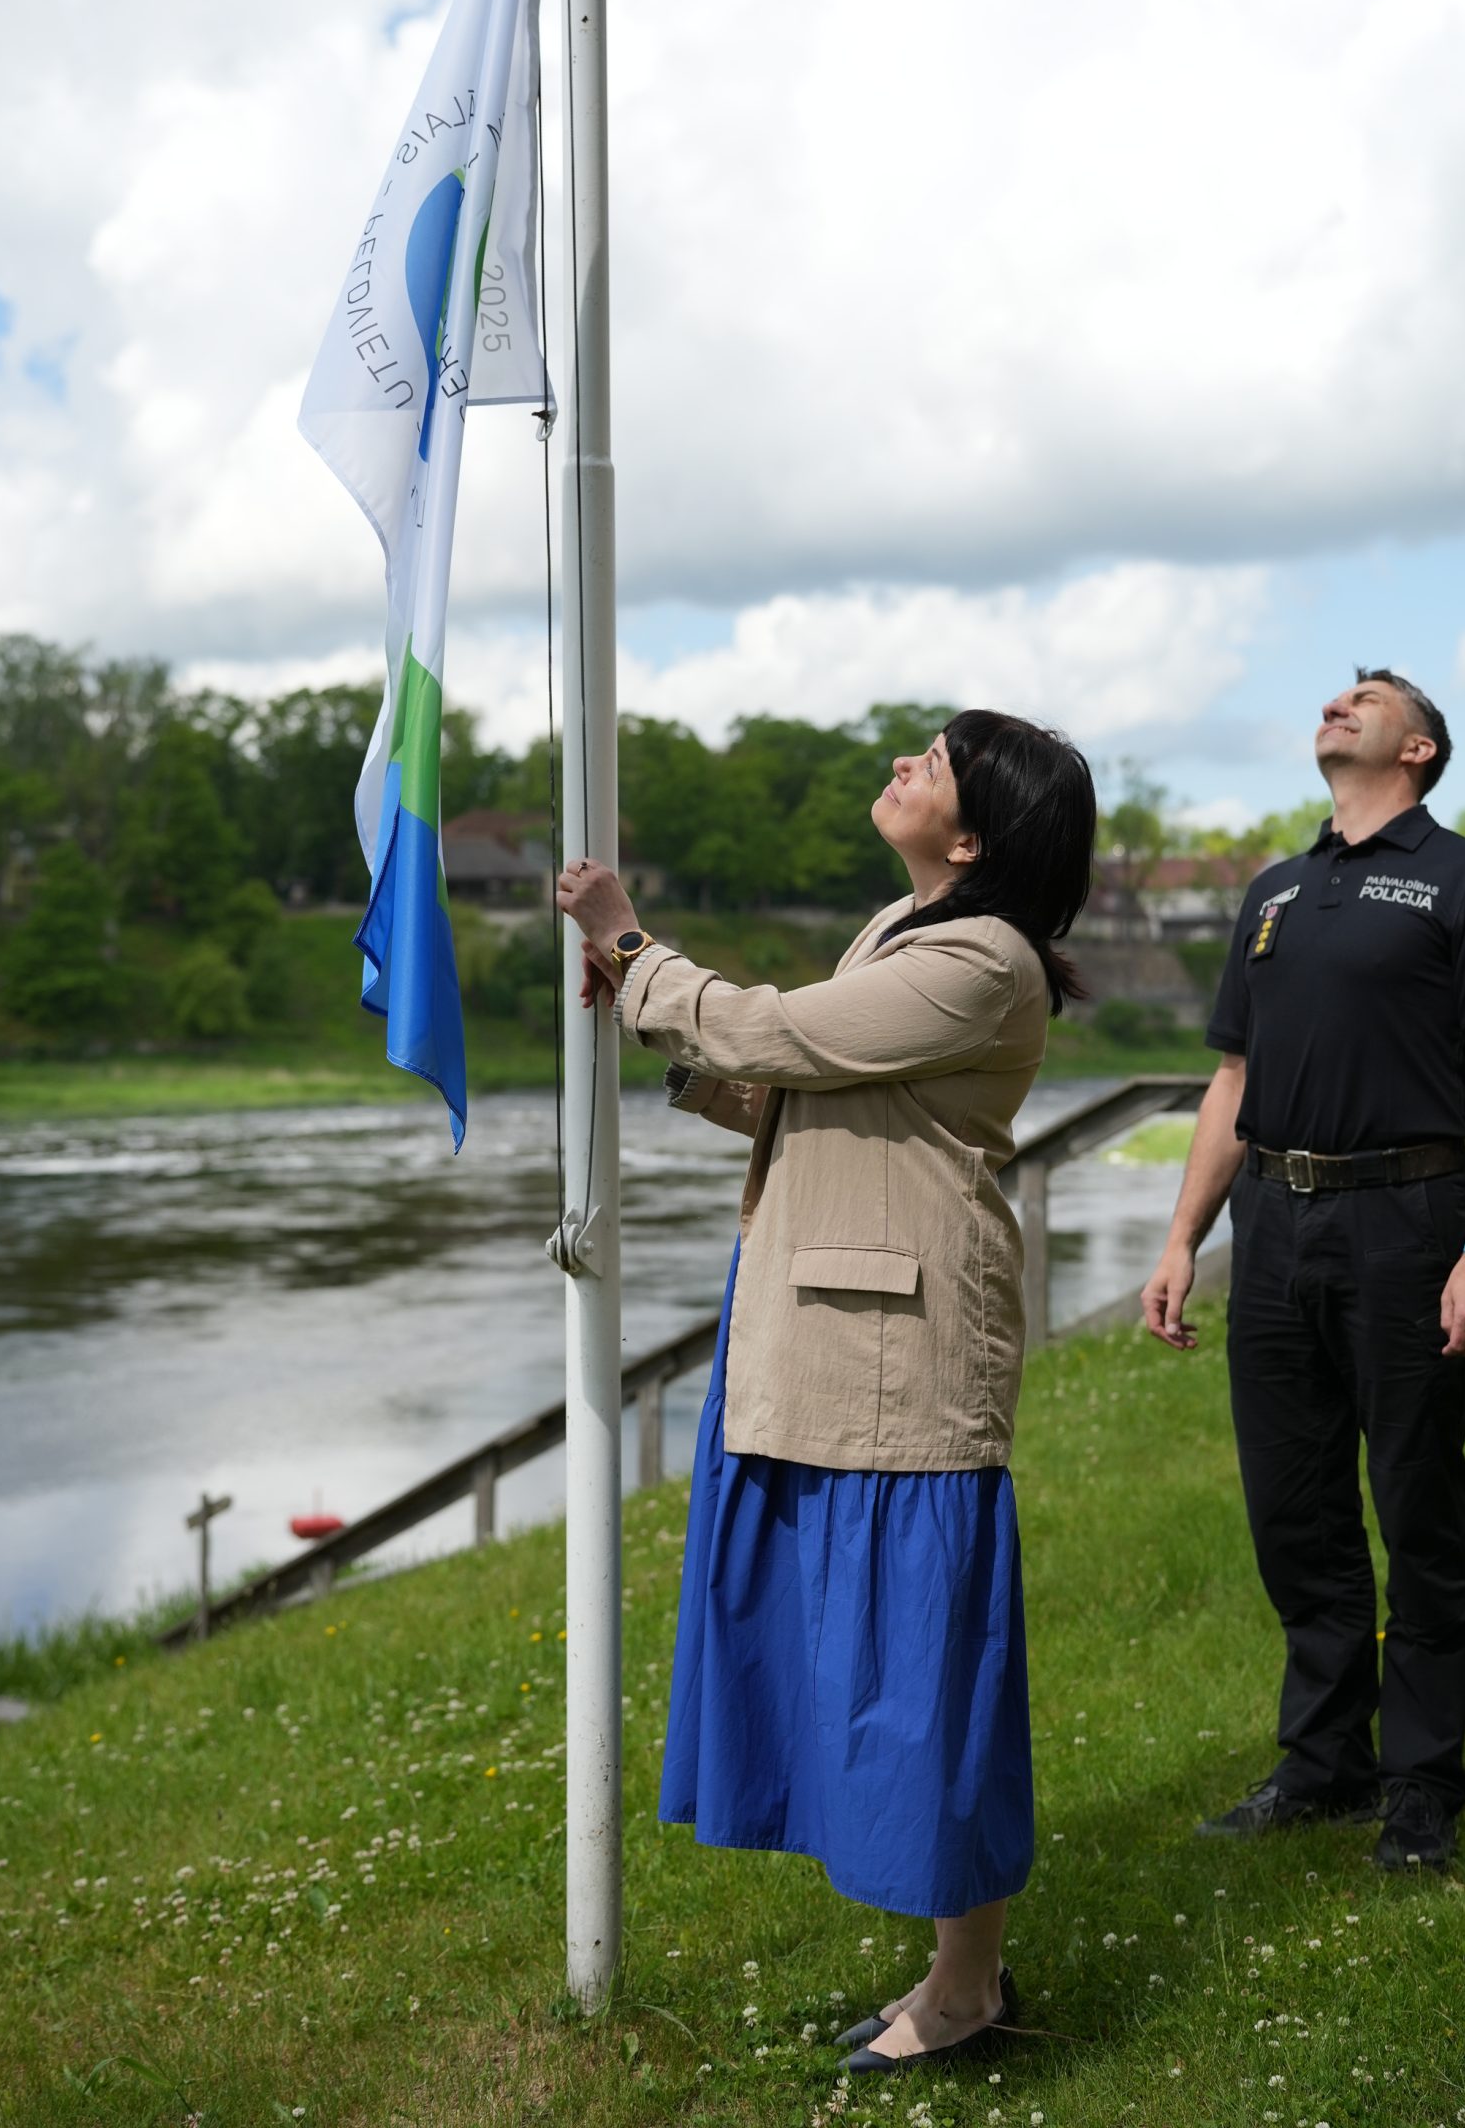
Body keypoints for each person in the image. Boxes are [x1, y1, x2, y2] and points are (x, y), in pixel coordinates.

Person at [556, 711, 1095, 2076]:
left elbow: (785, 1033)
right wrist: (687, 1053)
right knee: (867, 1660)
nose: (903, 763)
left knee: (922, 1677)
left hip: (901, 1350)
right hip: (820, 1329)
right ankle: (957, 1969)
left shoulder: (982, 956)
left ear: (971, 840)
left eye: (934, 761)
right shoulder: (903, 930)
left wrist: (632, 946)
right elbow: (806, 1086)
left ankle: (966, 1991)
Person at [1141, 669, 1465, 1871]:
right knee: (1294, 1509)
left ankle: (1421, 1785)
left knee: (1416, 1504)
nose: (1338, 702)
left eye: (1368, 696)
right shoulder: (1274, 890)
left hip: (1408, 1218)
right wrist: (1183, 1237)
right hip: (1272, 1222)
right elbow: (1232, 1079)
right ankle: (1324, 1765)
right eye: (1335, 693)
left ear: (1418, 748)